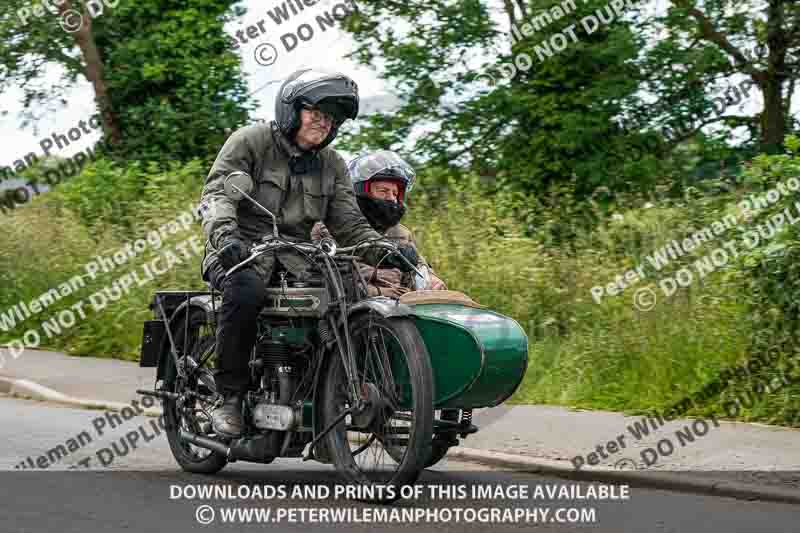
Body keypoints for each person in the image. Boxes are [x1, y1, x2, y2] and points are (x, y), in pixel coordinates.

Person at [197, 69, 419, 438]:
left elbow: (349, 223)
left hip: (299, 258)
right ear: (291, 110)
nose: (323, 122)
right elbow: (217, 197)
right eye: (316, 112)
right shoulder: (250, 142)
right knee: (246, 293)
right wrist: (225, 239)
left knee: (349, 293)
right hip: (243, 252)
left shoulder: (331, 163)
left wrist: (386, 253)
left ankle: (325, 391)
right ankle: (230, 397)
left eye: (330, 118)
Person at [312, 150, 446, 297]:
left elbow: (419, 269)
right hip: (353, 313)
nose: (391, 198)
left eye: (395, 194)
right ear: (359, 192)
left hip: (402, 309)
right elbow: (333, 284)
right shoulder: (328, 230)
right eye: (383, 191)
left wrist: (432, 281)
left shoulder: (401, 233)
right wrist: (383, 293)